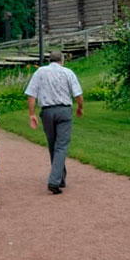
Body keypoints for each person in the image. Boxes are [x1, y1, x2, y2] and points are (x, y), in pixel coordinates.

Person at [24, 50, 83, 195]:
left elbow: (31, 94)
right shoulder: (67, 72)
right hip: (64, 111)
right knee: (61, 146)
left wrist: (31, 114)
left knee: (53, 145)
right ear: (62, 60)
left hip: (47, 112)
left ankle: (60, 178)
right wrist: (80, 107)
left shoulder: (40, 72)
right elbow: (78, 94)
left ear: (50, 60)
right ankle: (54, 181)